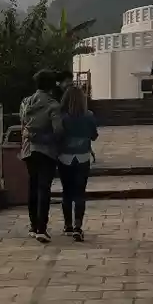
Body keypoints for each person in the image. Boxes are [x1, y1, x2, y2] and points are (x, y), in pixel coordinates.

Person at [20, 68, 64, 242]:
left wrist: (31, 136)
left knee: (33, 186)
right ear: (51, 86)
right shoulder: (53, 105)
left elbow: (23, 125)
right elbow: (58, 131)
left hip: (28, 150)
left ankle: (33, 225)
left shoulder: (26, 102)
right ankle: (41, 228)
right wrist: (45, 138)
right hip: (46, 151)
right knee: (44, 188)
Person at [58, 81, 98, 241]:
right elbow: (94, 136)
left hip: (64, 157)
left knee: (66, 191)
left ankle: (67, 224)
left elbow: (58, 135)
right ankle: (78, 226)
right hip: (83, 156)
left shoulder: (62, 117)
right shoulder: (89, 116)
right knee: (80, 192)